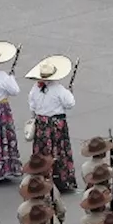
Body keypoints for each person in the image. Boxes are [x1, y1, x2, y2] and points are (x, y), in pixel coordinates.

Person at [25, 57, 76, 193]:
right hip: (56, 125)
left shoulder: (35, 88)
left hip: (42, 124)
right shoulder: (59, 89)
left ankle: (40, 177)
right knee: (59, 150)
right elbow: (70, 104)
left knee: (42, 150)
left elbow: (32, 106)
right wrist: (70, 92)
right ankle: (61, 179)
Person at [0, 42, 21, 182]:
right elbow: (15, 91)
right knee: (3, 136)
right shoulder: (3, 76)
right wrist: (12, 78)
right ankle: (4, 168)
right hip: (1, 111)